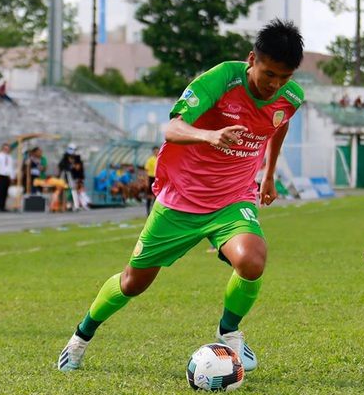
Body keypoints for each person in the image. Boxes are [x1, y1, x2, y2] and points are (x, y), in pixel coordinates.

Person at [57, 19, 305, 372]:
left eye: (285, 77)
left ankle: (229, 331)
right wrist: (210, 135)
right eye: (269, 74)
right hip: (181, 200)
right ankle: (80, 337)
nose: (275, 85)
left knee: (252, 261)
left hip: (233, 198)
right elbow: (172, 127)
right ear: (252, 59)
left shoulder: (291, 97)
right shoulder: (221, 79)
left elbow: (280, 121)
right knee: (132, 283)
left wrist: (269, 174)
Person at [0, 143, 15, 212]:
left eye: (8, 149)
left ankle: (3, 206)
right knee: (0, 191)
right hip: (1, 175)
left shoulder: (9, 157)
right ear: (2, 149)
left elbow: (11, 168)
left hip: (7, 176)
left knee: (5, 191)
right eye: (5, 148)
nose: (6, 150)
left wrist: (12, 177)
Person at [144, 146, 159, 216]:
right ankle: (148, 212)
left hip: (158, 178)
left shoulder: (160, 159)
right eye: (155, 151)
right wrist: (146, 181)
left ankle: (154, 212)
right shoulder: (150, 160)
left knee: (156, 196)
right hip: (151, 178)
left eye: (157, 151)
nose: (157, 153)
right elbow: (146, 171)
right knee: (149, 196)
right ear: (153, 152)